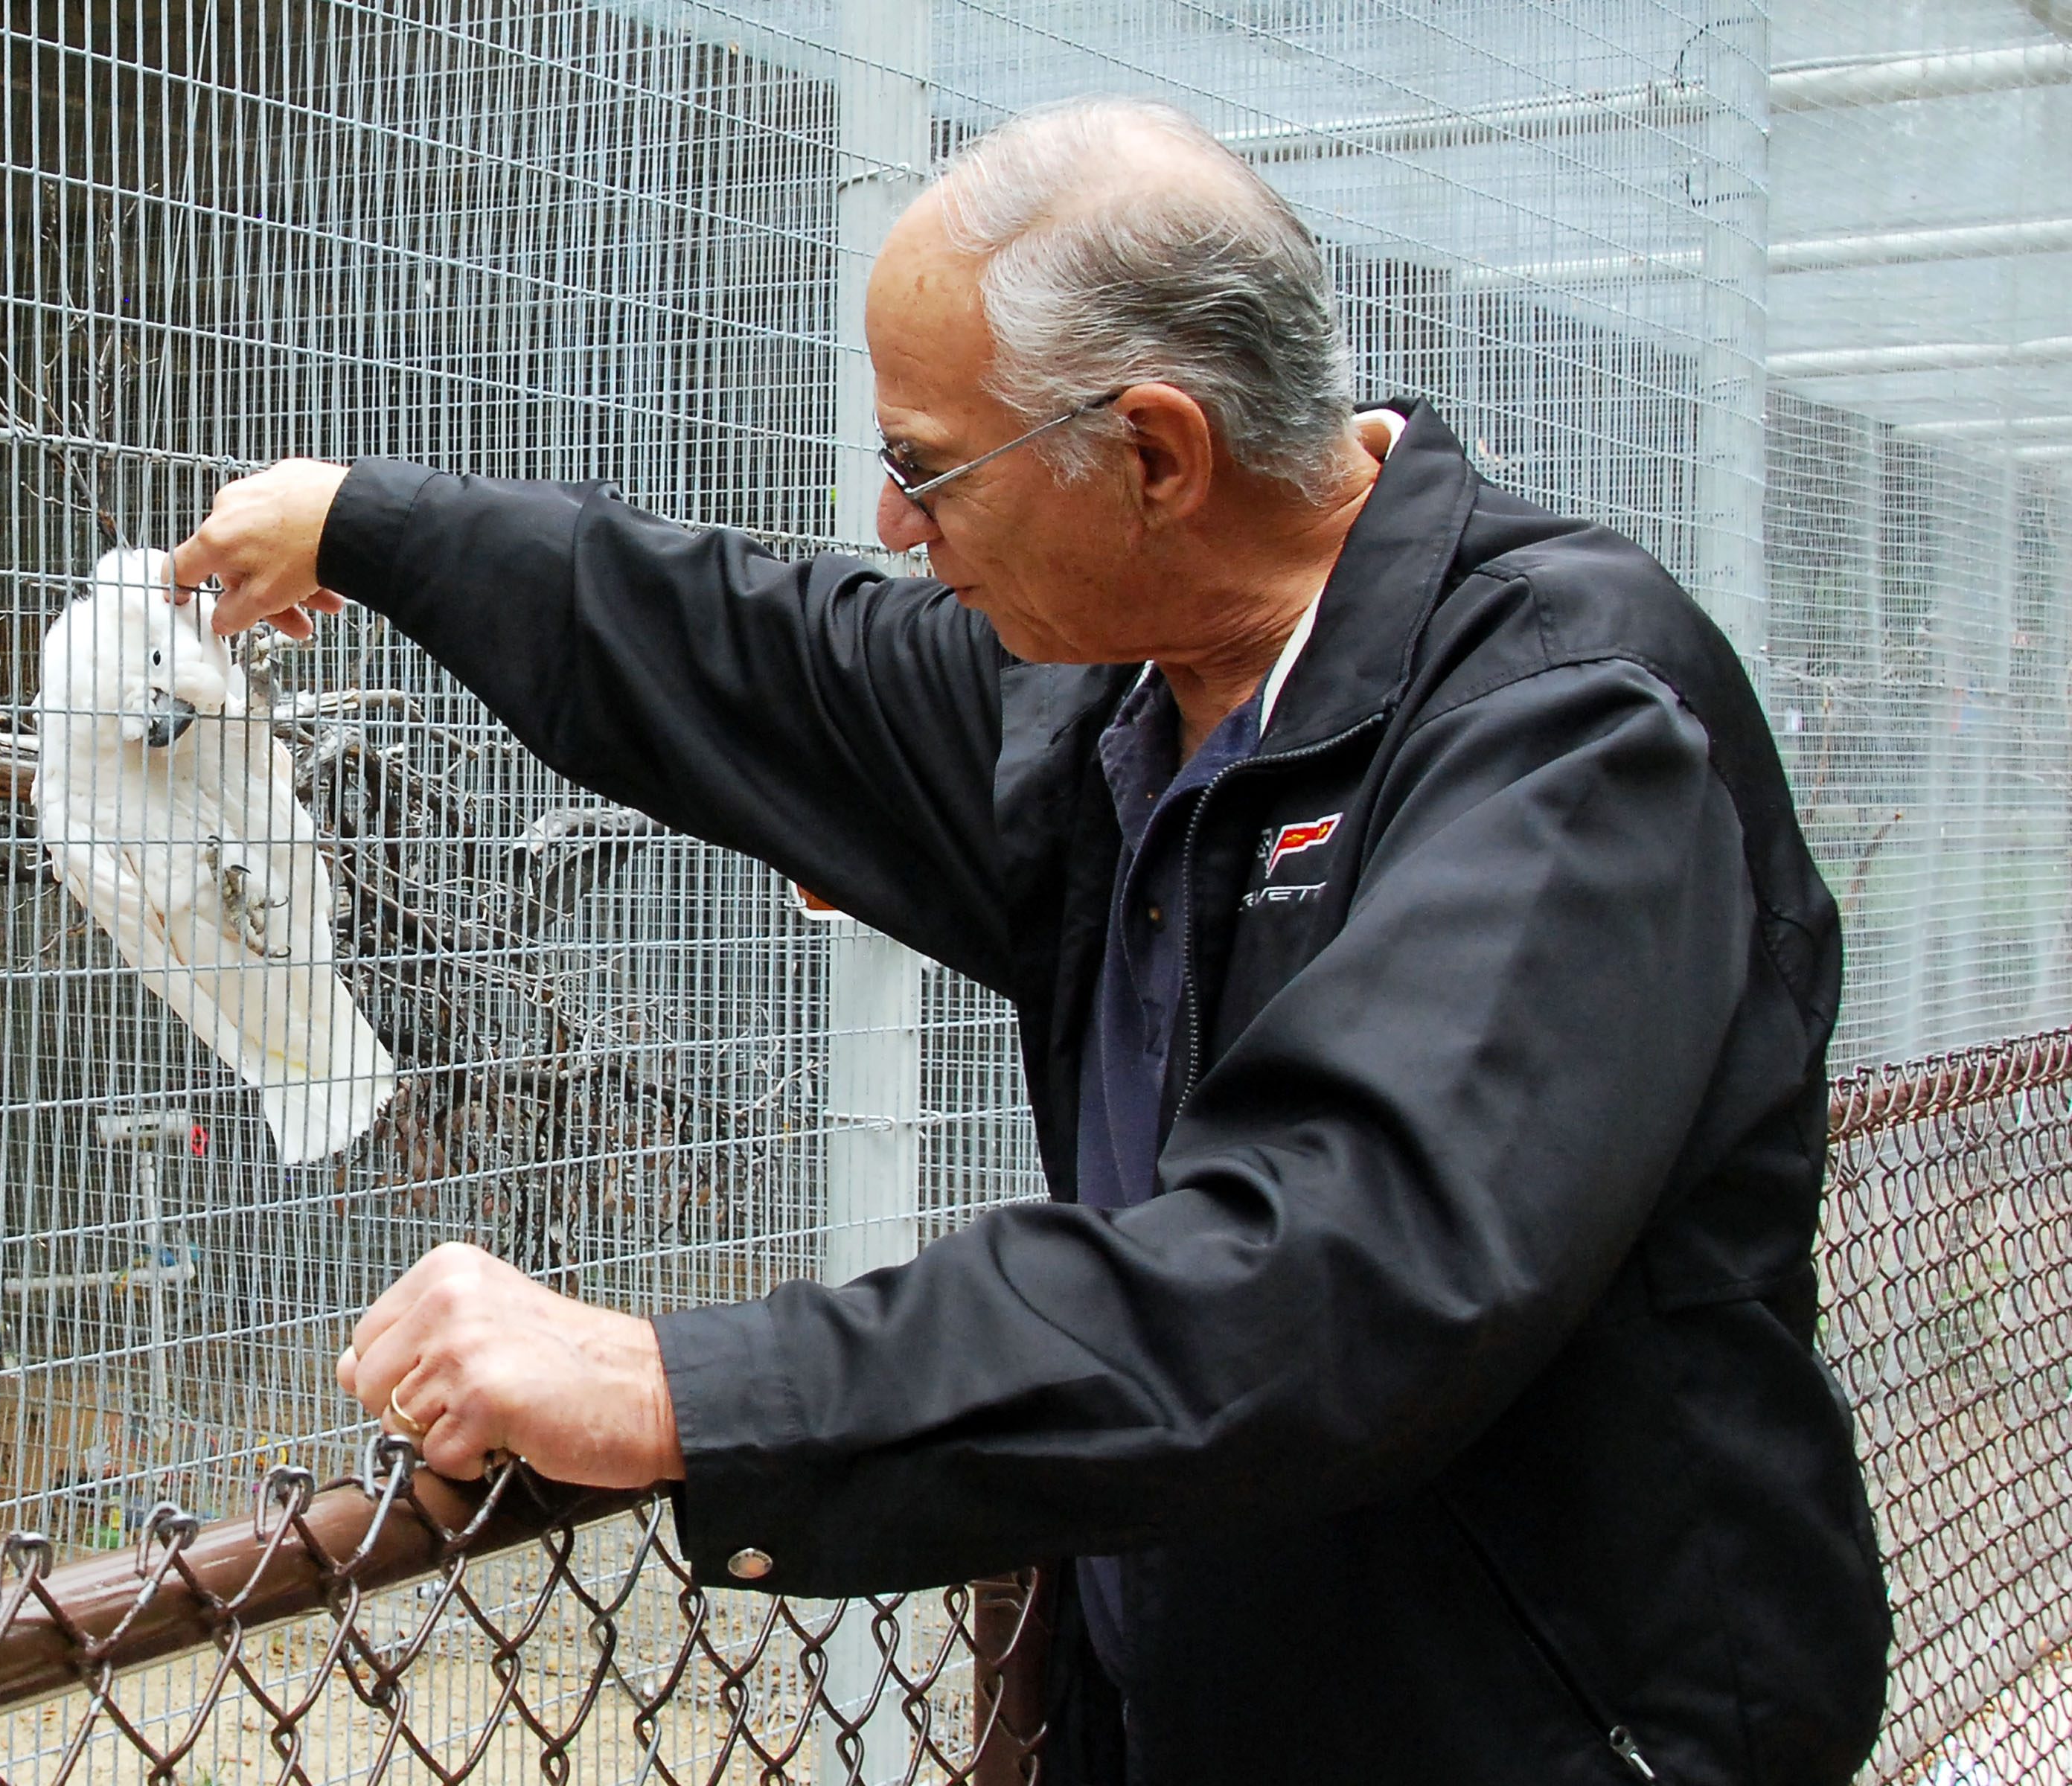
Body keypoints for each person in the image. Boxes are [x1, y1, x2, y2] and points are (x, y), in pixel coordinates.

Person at [172, 95, 1889, 1786]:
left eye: (927, 468)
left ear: (1154, 455)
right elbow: (760, 653)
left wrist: (680, 1381)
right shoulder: (1122, 702)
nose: (897, 526)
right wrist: (360, 524)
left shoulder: (1569, 723)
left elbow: (1339, 1266)